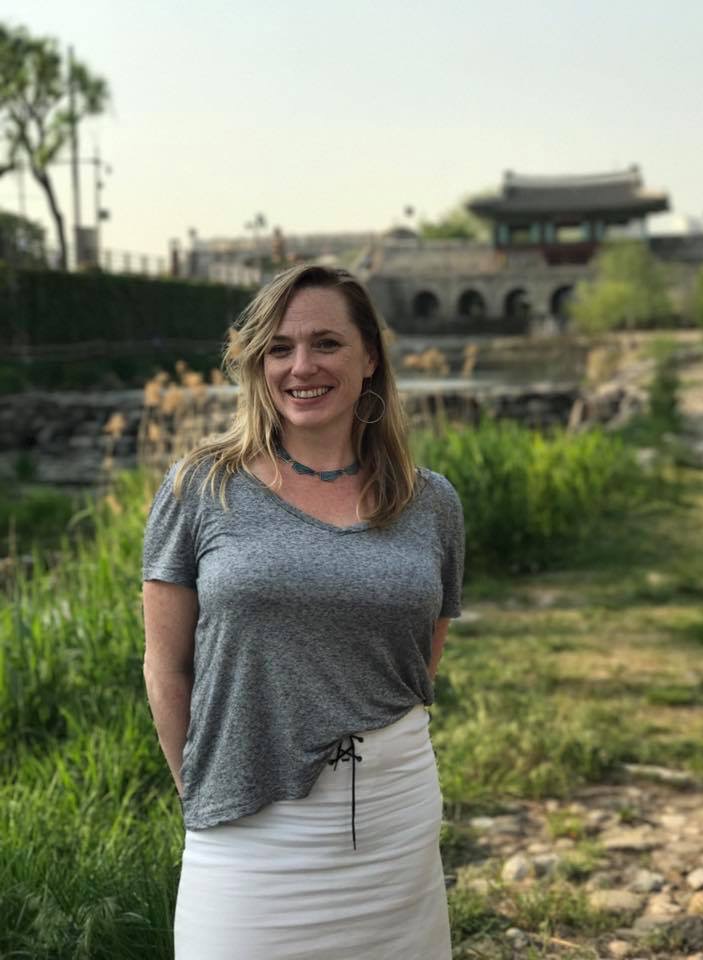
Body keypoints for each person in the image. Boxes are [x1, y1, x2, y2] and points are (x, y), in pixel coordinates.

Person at [142, 263, 465, 960]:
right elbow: (166, 668)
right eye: (280, 348)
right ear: (258, 362)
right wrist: (198, 787)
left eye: (326, 343)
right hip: (248, 826)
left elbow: (418, 659)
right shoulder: (201, 487)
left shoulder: (431, 502)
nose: (301, 366)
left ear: (370, 357)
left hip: (394, 816)